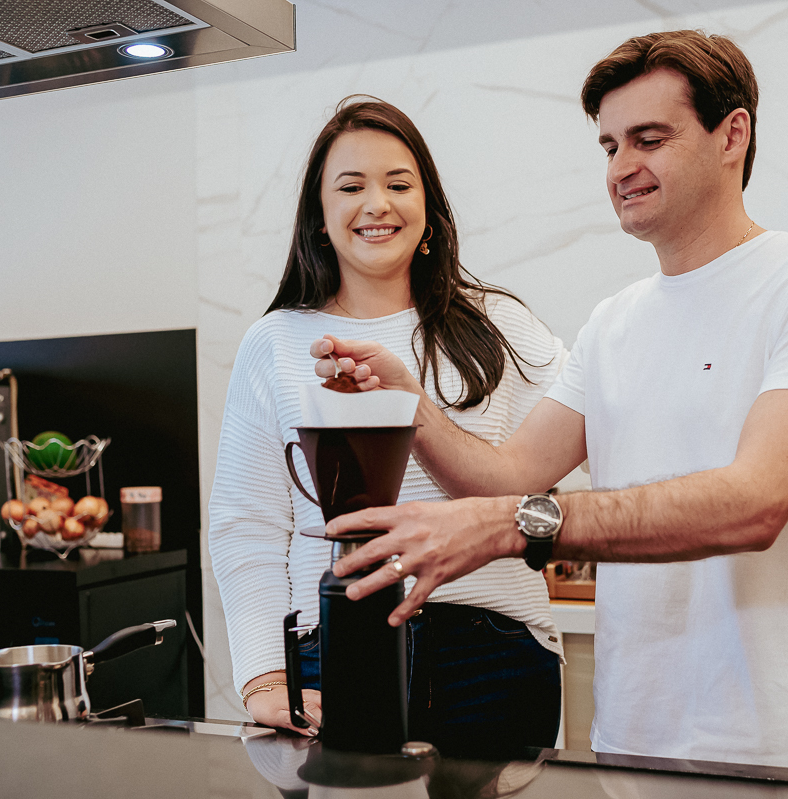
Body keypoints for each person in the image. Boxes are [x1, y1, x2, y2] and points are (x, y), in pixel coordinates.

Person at [312, 32, 788, 772]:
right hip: (625, 738)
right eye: (609, 146)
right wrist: (411, 403)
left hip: (763, 741)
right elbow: (512, 474)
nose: (622, 168)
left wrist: (510, 527)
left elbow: (756, 501)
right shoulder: (614, 321)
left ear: (731, 135)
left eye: (649, 139)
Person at [208, 97, 567, 756]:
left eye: (399, 184)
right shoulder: (277, 342)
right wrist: (264, 673)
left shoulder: (503, 328)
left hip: (496, 655)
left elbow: (575, 485)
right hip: (335, 650)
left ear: (428, 210)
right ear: (319, 219)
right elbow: (247, 522)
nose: (377, 203)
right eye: (351, 187)